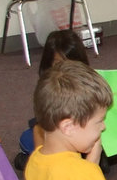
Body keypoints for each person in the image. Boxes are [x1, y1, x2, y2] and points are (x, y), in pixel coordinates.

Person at [14, 28, 90, 169]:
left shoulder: (90, 83)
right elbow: (41, 126)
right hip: (52, 129)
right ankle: (27, 159)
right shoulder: (48, 87)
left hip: (80, 130)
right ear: (48, 64)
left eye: (73, 63)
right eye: (59, 63)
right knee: (30, 139)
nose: (66, 69)